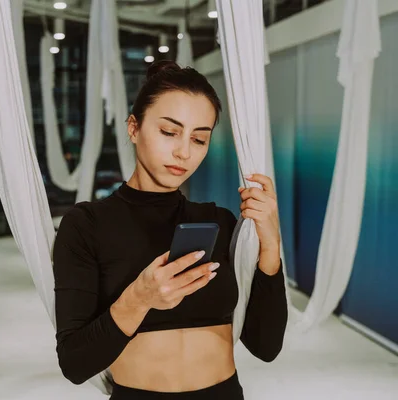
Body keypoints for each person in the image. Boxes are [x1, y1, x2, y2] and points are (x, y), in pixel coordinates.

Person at [52, 60, 288, 399]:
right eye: (169, 132)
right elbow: (75, 364)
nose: (183, 152)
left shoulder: (219, 222)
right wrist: (139, 298)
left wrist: (270, 245)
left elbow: (266, 346)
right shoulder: (87, 224)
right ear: (133, 128)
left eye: (199, 139)